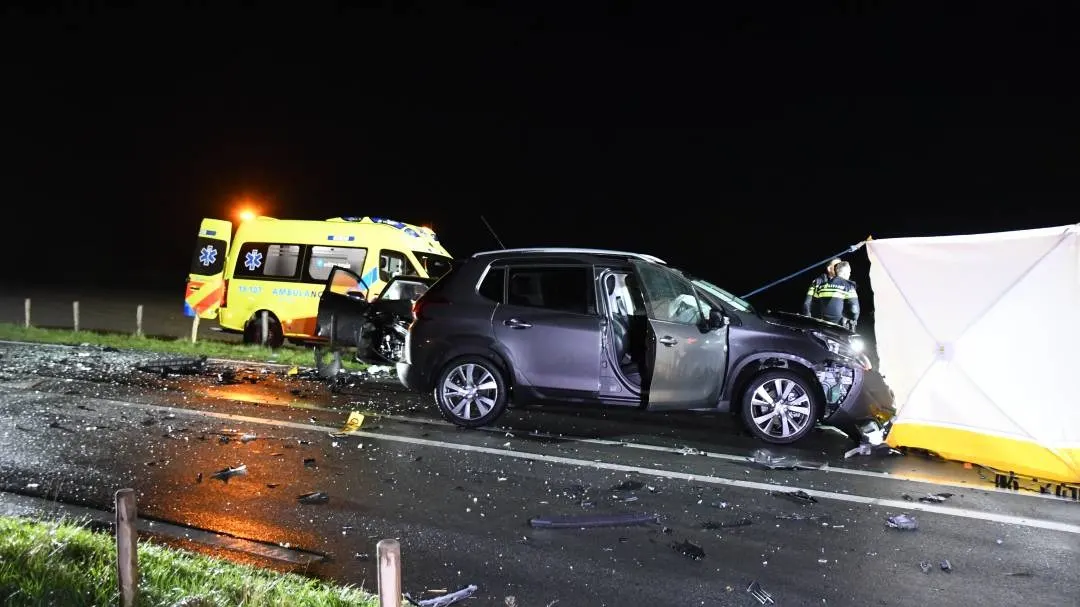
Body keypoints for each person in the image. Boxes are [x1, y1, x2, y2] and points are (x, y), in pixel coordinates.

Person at [805, 261, 860, 330]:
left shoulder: (822, 286)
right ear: (845, 272)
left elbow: (813, 304)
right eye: (849, 272)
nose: (849, 274)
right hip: (840, 327)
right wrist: (853, 321)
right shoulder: (848, 286)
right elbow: (854, 310)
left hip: (823, 326)